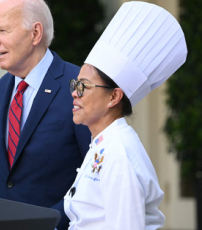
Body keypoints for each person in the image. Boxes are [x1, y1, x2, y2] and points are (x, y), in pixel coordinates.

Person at [0, 0, 91, 229]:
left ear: (35, 33)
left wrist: (50, 222)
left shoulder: (77, 86)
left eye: (2, 30)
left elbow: (94, 175)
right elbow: (1, 173)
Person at [63, 1, 187, 229]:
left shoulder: (119, 153)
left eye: (84, 86)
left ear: (114, 97)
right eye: (75, 84)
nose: (74, 93)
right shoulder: (103, 144)